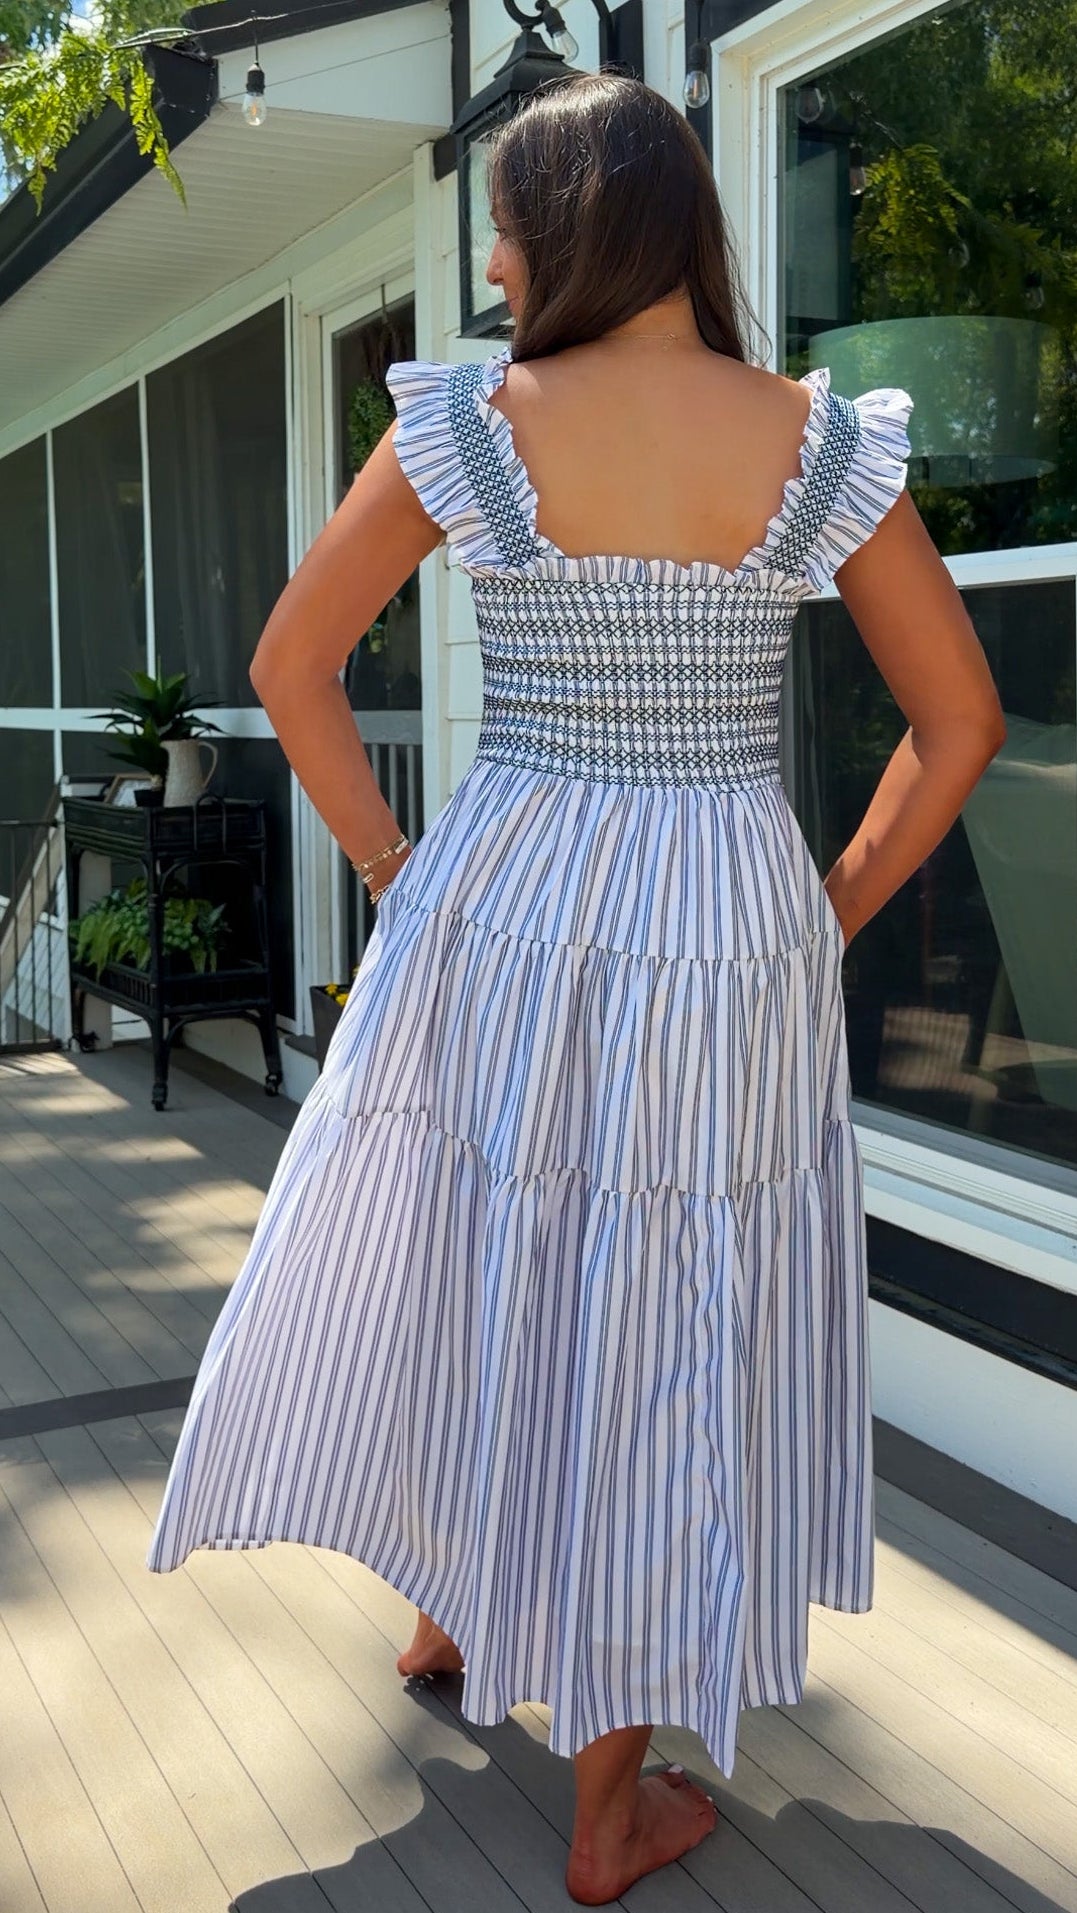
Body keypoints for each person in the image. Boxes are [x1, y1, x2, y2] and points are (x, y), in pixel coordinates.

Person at [146, 72, 1005, 1908]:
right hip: (718, 917)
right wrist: (825, 909)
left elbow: (295, 666)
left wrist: (395, 872)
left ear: (543, 242)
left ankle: (461, 1605)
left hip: (504, 895)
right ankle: (599, 1793)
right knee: (662, 1314)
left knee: (480, 1238)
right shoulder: (814, 444)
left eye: (503, 235)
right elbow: (958, 724)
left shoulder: (475, 421)